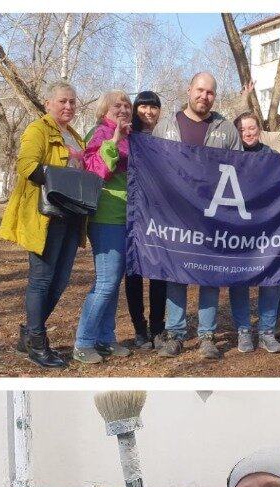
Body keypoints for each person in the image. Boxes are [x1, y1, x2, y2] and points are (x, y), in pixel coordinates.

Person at [153, 71, 242, 361]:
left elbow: (241, 170)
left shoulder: (226, 128)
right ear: (189, 89)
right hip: (175, 217)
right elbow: (152, 166)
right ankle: (175, 334)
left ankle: (207, 336)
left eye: (210, 93)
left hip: (212, 217)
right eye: (200, 90)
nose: (204, 96)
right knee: (175, 274)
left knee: (210, 276)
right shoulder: (166, 125)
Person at [0, 80, 86, 369]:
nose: (69, 106)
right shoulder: (38, 130)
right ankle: (37, 343)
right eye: (63, 101)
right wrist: (59, 180)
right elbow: (26, 165)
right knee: (42, 279)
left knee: (60, 282)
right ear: (48, 103)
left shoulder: (73, 135)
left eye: (72, 101)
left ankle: (29, 334)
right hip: (47, 216)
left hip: (73, 216)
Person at [74, 89, 135, 365]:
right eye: (116, 105)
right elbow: (96, 170)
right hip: (105, 216)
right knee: (106, 282)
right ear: (104, 110)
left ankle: (106, 338)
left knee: (113, 283)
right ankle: (84, 342)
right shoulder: (99, 133)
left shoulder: (133, 138)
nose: (123, 109)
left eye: (126, 105)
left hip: (127, 217)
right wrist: (114, 139)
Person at [229, 112, 280, 354]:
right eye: (242, 129)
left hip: (266, 228)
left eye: (251, 128)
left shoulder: (271, 156)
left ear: (259, 129)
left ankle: (267, 332)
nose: (247, 133)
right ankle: (243, 330)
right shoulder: (228, 156)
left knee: (270, 277)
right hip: (235, 228)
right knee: (238, 278)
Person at [123, 90, 166, 350]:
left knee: (160, 270)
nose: (148, 112)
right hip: (132, 212)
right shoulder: (128, 136)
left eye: (153, 107)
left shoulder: (166, 137)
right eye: (143, 107)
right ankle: (139, 328)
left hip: (161, 213)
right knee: (134, 272)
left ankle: (158, 327)